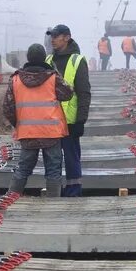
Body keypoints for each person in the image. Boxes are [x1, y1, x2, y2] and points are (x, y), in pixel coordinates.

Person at [2, 43, 74, 197]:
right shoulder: (53, 78)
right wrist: (56, 72)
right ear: (44, 58)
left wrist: (19, 124)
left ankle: (10, 199)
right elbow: (68, 94)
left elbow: (7, 108)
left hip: (27, 133)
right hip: (51, 133)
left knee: (23, 169)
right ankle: (53, 204)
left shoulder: (15, 80)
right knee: (53, 170)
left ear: (28, 58)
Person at [45, 24, 91, 197]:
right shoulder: (48, 61)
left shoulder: (77, 61)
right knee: (52, 159)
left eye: (56, 36)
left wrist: (81, 120)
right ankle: (55, 191)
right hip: (50, 120)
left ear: (67, 37)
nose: (52, 39)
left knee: (71, 158)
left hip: (70, 121)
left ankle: (73, 191)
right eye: (52, 36)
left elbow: (84, 93)